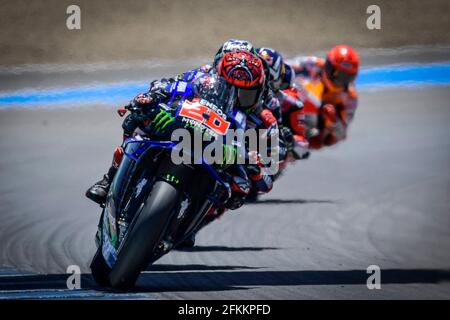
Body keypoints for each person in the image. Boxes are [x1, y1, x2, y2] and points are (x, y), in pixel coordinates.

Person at [86, 50, 273, 209]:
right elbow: (166, 85)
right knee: (136, 120)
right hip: (185, 127)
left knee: (236, 191)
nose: (235, 98)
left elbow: (266, 181)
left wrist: (254, 167)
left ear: (259, 91)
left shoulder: (259, 119)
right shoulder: (201, 79)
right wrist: (151, 96)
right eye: (229, 89)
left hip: (222, 154)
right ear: (217, 77)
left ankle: (193, 219)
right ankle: (109, 179)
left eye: (245, 95)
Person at [290, 45, 359, 149]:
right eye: (336, 72)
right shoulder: (313, 63)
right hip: (291, 99)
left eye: (346, 77)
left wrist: (333, 120)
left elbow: (341, 134)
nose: (338, 79)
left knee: (326, 139)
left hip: (312, 128)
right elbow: (282, 64)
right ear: (328, 66)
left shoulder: (350, 96)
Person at [257, 47, 309, 162]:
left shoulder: (291, 102)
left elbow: (303, 148)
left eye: (267, 83)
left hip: (263, 153)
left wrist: (290, 139)